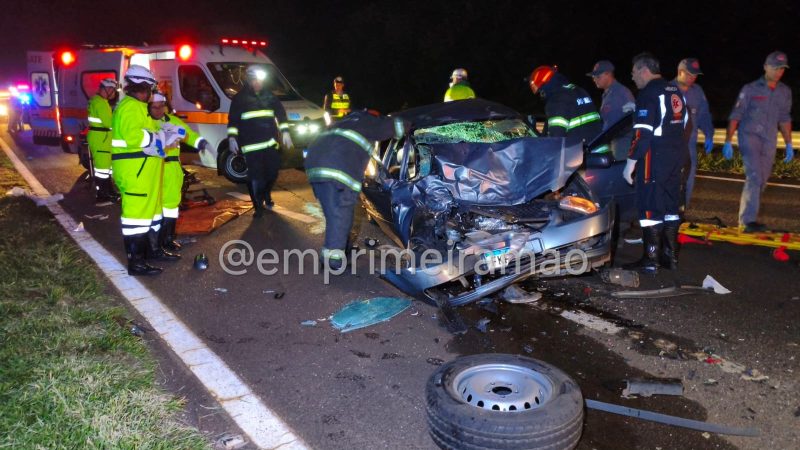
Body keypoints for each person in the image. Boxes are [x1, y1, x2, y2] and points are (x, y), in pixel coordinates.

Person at [304, 110, 408, 269]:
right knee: (340, 215)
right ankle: (334, 261)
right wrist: (411, 122)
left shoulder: (343, 123)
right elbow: (395, 126)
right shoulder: (367, 121)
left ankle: (341, 250)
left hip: (315, 168)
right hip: (337, 171)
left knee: (336, 215)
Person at [111, 65, 183, 276]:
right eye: (151, 88)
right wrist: (158, 138)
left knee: (149, 217)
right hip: (136, 174)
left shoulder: (137, 107)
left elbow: (145, 135)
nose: (152, 93)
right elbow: (133, 136)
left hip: (142, 173)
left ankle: (151, 252)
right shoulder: (131, 107)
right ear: (143, 86)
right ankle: (137, 264)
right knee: (136, 221)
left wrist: (164, 136)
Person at [622, 52, 688, 274]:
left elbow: (642, 133)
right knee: (670, 205)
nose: (632, 77)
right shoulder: (674, 90)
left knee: (650, 204)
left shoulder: (648, 93)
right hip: (676, 154)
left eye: (634, 72)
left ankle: (650, 260)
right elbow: (683, 122)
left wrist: (631, 162)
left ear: (643, 70)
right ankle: (670, 257)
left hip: (655, 155)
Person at [722, 51, 793, 233]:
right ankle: (747, 221)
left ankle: (748, 218)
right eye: (775, 68)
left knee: (762, 179)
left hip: (769, 139)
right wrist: (728, 140)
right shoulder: (750, 89)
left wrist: (789, 143)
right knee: (754, 176)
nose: (778, 72)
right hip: (749, 137)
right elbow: (736, 115)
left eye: (782, 69)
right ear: (766, 67)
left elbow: (784, 119)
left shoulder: (785, 92)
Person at [148, 93, 213, 252]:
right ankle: (154, 244)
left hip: (172, 169)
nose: (158, 110)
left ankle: (168, 240)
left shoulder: (172, 121)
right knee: (154, 208)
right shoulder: (146, 122)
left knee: (171, 206)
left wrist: (200, 142)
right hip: (154, 168)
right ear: (148, 107)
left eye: (161, 106)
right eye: (154, 107)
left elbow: (187, 134)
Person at [227, 65, 293, 217]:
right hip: (251, 146)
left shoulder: (269, 96)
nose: (258, 83)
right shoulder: (239, 99)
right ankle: (258, 206)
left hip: (270, 144)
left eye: (260, 80)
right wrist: (232, 138)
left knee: (272, 173)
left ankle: (266, 194)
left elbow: (281, 114)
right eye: (255, 80)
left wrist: (285, 132)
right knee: (256, 177)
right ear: (249, 81)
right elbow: (233, 121)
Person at [674, 58, 714, 208]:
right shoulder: (667, 90)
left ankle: (681, 212)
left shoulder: (697, 92)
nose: (693, 78)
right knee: (669, 181)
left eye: (695, 75)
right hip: (669, 146)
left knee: (688, 181)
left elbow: (704, 116)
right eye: (690, 74)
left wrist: (709, 134)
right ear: (680, 72)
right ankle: (666, 214)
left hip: (689, 146)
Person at [529, 65, 602, 143]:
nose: (541, 95)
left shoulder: (556, 100)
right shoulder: (579, 90)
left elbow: (556, 137)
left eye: (540, 91)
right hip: (599, 147)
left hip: (580, 149)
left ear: (544, 87)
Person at [87, 78, 120, 202]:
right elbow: (109, 123)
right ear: (107, 89)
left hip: (101, 138)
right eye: (113, 90)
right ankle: (102, 196)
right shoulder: (100, 103)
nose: (114, 93)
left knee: (106, 168)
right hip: (101, 139)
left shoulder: (99, 101)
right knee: (102, 170)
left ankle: (109, 192)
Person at [587, 60, 636, 130]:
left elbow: (631, 119)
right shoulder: (606, 95)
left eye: (598, 76)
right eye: (593, 77)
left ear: (608, 74)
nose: (594, 79)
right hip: (610, 136)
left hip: (621, 136)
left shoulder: (622, 92)